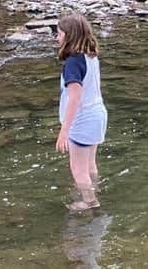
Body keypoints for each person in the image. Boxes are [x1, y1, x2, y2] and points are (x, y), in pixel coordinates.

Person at [55, 12, 107, 212]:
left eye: (59, 34)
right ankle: (94, 190)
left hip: (83, 119)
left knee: (77, 169)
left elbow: (75, 97)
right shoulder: (90, 55)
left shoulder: (72, 63)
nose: (57, 37)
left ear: (69, 36)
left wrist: (64, 131)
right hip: (97, 114)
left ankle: (90, 201)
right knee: (89, 164)